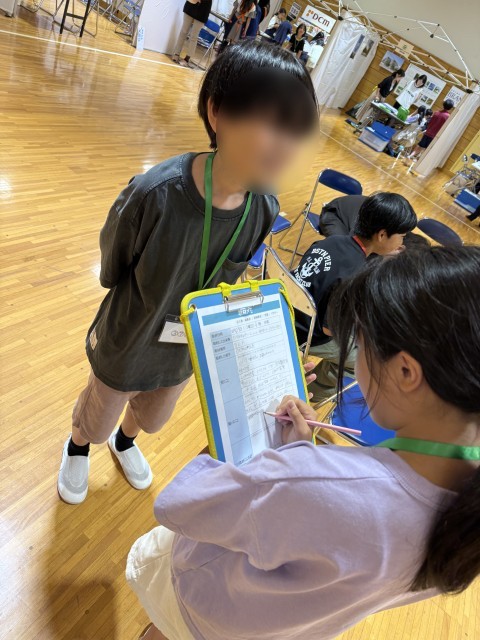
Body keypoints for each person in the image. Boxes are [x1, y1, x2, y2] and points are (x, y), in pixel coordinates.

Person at [127, 246, 480, 640]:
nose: (357, 359)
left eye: (361, 346)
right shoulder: (467, 508)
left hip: (205, 604)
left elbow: (178, 506)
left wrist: (255, 453)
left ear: (405, 371)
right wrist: (296, 455)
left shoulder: (317, 482)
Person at [56, 40, 318, 505]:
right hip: (130, 338)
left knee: (152, 416)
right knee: (97, 415)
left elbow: (235, 282)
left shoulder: (264, 208)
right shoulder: (155, 193)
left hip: (184, 352)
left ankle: (125, 442)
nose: (286, 145)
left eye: (296, 130)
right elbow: (113, 263)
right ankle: (78, 446)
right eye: (272, 123)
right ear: (218, 112)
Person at [293, 193, 417, 401]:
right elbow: (329, 329)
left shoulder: (331, 241)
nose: (401, 243)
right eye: (402, 236)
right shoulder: (356, 274)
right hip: (306, 334)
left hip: (288, 313)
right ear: (382, 235)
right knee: (365, 360)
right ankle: (308, 395)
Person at [172, 0, 212, 68]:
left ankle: (187, 59)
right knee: (183, 31)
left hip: (203, 9)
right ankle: (176, 54)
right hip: (191, 5)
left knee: (194, 35)